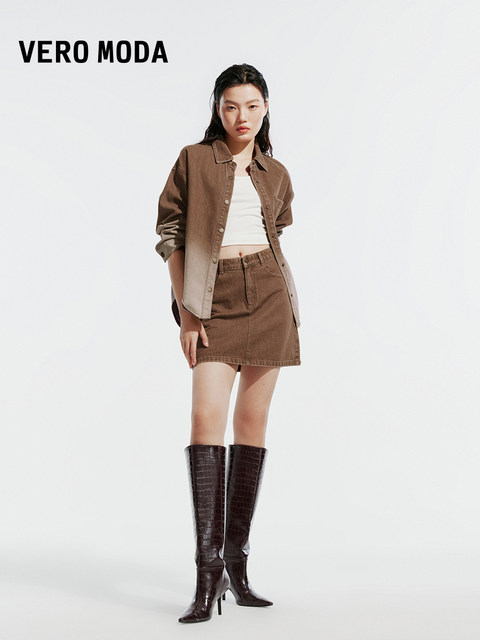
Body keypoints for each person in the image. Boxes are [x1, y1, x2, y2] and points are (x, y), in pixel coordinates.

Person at [155, 63, 301, 624]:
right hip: (211, 299)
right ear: (217, 109)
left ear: (265, 109)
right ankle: (207, 571)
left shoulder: (276, 172)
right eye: (231, 106)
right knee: (205, 421)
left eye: (252, 106)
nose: (242, 117)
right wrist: (188, 311)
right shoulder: (194, 160)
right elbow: (170, 233)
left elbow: (276, 228)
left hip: (269, 295)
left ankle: (236, 564)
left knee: (252, 425)